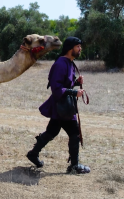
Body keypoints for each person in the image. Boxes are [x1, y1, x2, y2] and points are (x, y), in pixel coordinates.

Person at [26, 37, 91, 174]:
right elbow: (56, 89)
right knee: (74, 133)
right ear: (70, 48)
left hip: (63, 106)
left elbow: (65, 83)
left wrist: (76, 82)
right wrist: (74, 93)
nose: (80, 49)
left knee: (52, 131)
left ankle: (33, 154)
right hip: (62, 106)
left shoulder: (69, 63)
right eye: (78, 46)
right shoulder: (61, 64)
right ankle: (74, 166)